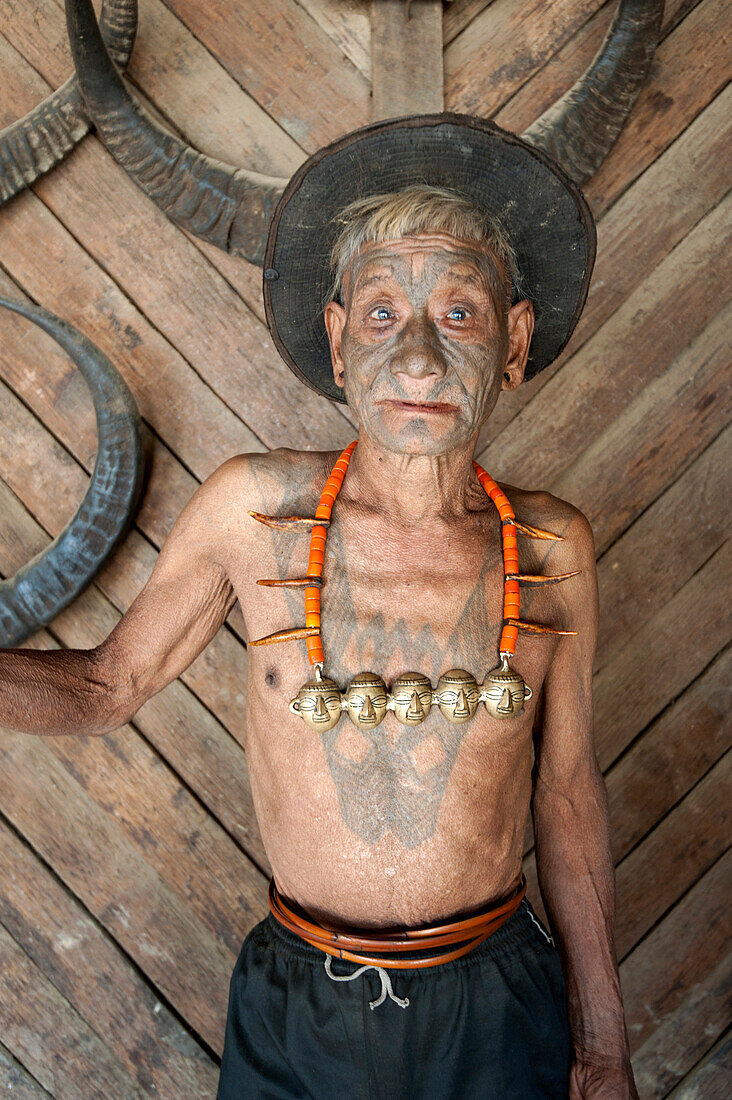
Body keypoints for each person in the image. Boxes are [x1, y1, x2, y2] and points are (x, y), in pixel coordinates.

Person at [0, 118, 637, 1099]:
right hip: (298, 1000)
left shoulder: (552, 552)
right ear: (338, 342)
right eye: (382, 315)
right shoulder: (253, 515)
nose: (419, 356)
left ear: (514, 343)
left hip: (501, 1001)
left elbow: (566, 797)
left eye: (460, 315)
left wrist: (602, 1041)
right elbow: (101, 683)